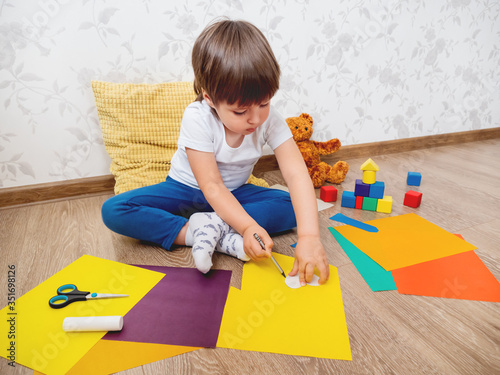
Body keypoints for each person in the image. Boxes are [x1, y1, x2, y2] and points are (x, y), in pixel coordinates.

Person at [101, 19, 329, 286]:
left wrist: (309, 237)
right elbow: (211, 186)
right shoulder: (197, 117)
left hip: (236, 193)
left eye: (264, 103)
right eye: (241, 111)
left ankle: (217, 225)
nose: (255, 119)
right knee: (115, 210)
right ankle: (195, 231)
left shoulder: (270, 119)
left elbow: (296, 174)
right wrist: (247, 227)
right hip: (187, 192)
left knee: (294, 206)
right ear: (210, 99)